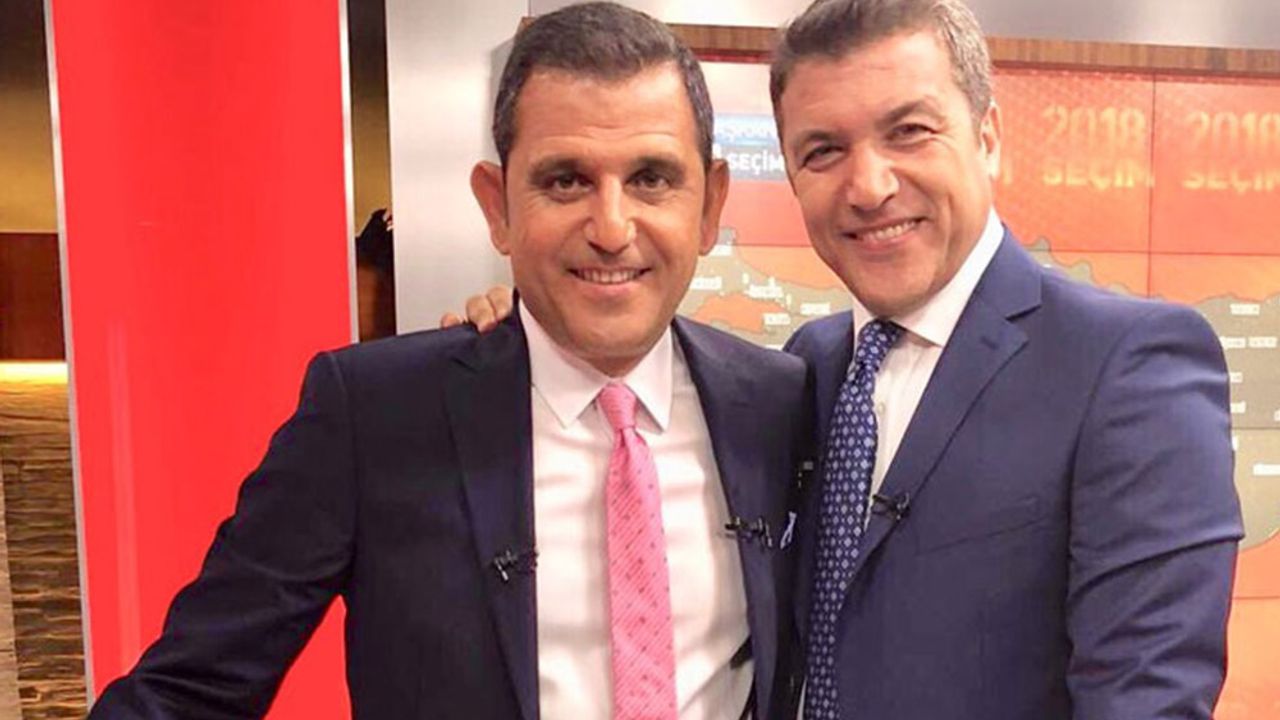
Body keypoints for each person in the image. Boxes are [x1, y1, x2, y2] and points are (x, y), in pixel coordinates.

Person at [458, 1, 1243, 718]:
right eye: (824, 150)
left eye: (909, 132)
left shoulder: (1128, 366)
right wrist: (522, 332)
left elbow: (1148, 701)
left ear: (988, 137)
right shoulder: (808, 368)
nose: (868, 186)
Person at [89, 4, 808, 718]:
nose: (612, 228)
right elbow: (186, 693)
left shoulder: (781, 403)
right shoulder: (372, 417)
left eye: (651, 178)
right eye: (565, 181)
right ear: (498, 208)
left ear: (709, 205)